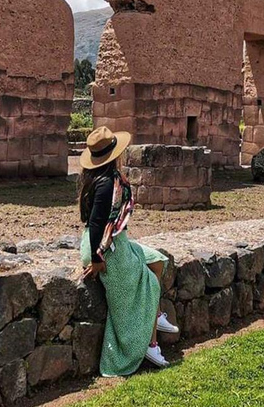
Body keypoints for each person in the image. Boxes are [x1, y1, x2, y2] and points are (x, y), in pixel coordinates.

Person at [78, 126, 180, 376]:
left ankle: (153, 317)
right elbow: (94, 225)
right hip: (103, 247)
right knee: (150, 284)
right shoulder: (105, 185)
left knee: (157, 261)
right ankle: (149, 344)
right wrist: (97, 258)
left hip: (114, 240)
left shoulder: (106, 179)